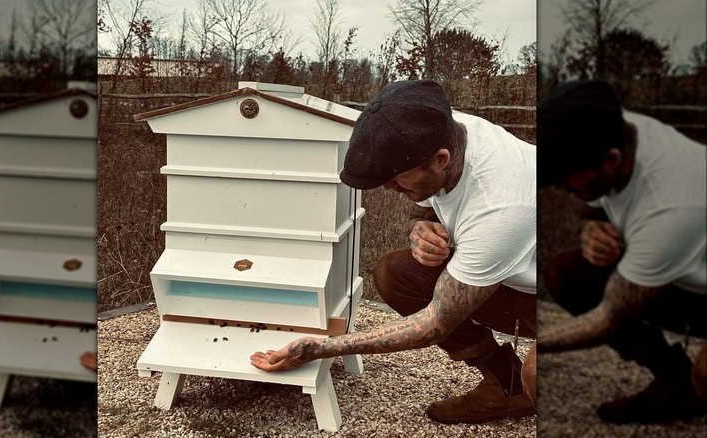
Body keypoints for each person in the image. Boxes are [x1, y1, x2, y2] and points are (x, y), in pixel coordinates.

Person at [250, 79, 538, 425]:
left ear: (440, 160)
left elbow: (434, 324)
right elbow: (429, 199)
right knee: (396, 273)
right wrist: (419, 226)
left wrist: (322, 347)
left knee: (538, 375)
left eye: (397, 177)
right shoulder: (439, 129)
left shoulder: (500, 207)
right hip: (522, 275)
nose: (388, 187)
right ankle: (505, 386)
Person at [536, 80, 707, 423]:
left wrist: (534, 346)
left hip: (692, 277)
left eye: (566, 179)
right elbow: (597, 198)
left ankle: (694, 384)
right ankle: (676, 383)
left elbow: (608, 321)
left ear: (611, 160)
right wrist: (592, 225)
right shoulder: (612, 128)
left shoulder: (670, 205)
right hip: (685, 273)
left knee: (706, 375)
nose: (560, 188)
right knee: (567, 273)